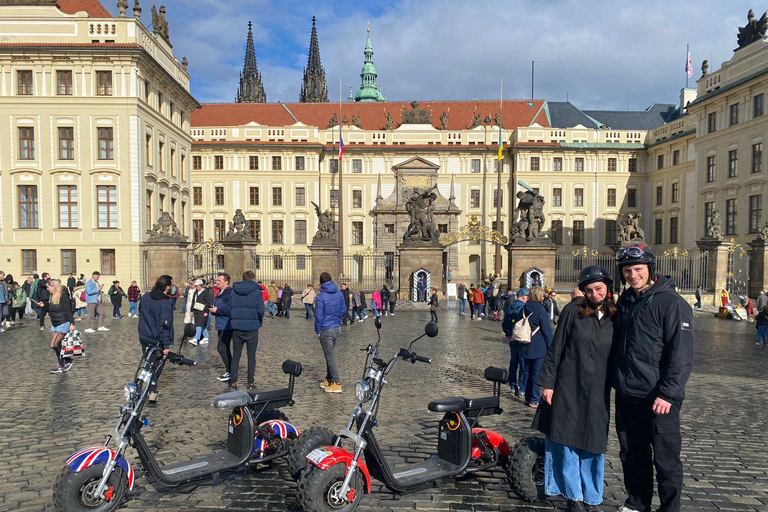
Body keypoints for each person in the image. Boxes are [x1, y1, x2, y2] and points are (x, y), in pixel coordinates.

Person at [612, 244, 694, 512]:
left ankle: (670, 508)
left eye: (637, 269)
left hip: (658, 397)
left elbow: (681, 353)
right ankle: (637, 503)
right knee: (632, 455)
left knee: (666, 459)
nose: (632, 275)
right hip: (628, 395)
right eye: (627, 270)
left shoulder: (672, 303)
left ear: (650, 269)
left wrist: (669, 393)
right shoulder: (626, 300)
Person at [534, 266, 616, 512]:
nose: (594, 294)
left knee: (593, 441)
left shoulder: (617, 315)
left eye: (599, 289)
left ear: (608, 288)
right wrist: (548, 383)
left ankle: (590, 495)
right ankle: (573, 496)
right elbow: (556, 348)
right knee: (566, 438)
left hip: (599, 388)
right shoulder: (573, 311)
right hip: (568, 385)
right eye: (589, 290)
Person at [137, 275, 175, 402]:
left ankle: (142, 386)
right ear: (167, 287)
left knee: (149, 363)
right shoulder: (165, 303)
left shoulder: (146, 296)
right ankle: (150, 391)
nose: (173, 286)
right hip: (156, 339)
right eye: (172, 284)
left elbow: (140, 311)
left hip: (144, 335)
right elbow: (164, 325)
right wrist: (166, 345)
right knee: (156, 366)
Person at [228, 270, 265, 391]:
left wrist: (234, 319)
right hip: (252, 327)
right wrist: (258, 321)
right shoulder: (256, 291)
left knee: (236, 355)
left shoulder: (234, 290)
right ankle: (250, 382)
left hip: (237, 327)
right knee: (251, 356)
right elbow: (261, 310)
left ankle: (233, 381)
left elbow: (229, 308)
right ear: (253, 279)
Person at [518, 287, 553, 408]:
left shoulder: (524, 307)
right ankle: (534, 399)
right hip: (539, 346)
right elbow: (547, 331)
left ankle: (528, 397)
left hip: (525, 343)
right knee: (536, 374)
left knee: (527, 371)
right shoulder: (541, 310)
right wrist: (551, 347)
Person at [314, 272, 348, 394]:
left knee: (329, 356)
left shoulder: (321, 296)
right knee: (329, 354)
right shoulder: (339, 293)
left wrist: (318, 331)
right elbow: (344, 309)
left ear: (320, 283)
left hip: (326, 329)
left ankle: (337, 383)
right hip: (336, 327)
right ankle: (329, 380)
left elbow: (318, 316)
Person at [40, 279, 76, 374]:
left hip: (63, 322)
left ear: (54, 286)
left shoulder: (63, 295)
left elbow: (68, 310)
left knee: (54, 344)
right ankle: (61, 364)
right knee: (58, 345)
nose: (47, 289)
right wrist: (44, 306)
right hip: (54, 323)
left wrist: (72, 324)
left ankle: (67, 360)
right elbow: (51, 309)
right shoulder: (52, 296)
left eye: (48, 287)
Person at [502, 288, 529, 397]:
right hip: (521, 340)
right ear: (523, 297)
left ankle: (513, 385)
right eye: (527, 297)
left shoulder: (510, 307)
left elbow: (505, 323)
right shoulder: (523, 307)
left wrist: (509, 335)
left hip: (512, 340)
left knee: (513, 363)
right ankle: (522, 388)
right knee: (523, 364)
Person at [209, 273, 234, 382]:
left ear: (226, 282)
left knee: (222, 348)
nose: (217, 282)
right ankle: (230, 371)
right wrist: (214, 310)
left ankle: (231, 371)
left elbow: (230, 310)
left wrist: (217, 311)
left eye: (219, 280)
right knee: (224, 348)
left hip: (227, 325)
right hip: (221, 324)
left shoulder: (229, 293)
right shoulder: (220, 292)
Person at [189, 279, 210, 345]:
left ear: (201, 285)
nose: (196, 287)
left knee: (199, 324)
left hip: (203, 310)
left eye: (197, 286)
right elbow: (193, 301)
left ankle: (196, 338)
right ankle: (206, 337)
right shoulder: (196, 292)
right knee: (202, 325)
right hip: (196, 310)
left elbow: (208, 302)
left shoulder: (206, 293)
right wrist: (191, 310)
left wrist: (206, 311)